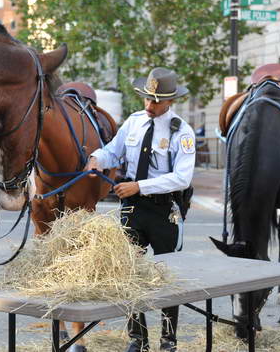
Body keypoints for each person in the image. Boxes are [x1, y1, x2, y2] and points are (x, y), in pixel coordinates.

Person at [85, 67, 196, 352]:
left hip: (163, 211)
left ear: (170, 101)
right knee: (128, 273)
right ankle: (138, 338)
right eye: (147, 99)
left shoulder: (181, 132)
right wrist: (97, 159)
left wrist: (140, 186)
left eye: (156, 101)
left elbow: (182, 178)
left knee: (168, 277)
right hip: (132, 208)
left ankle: (168, 340)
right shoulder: (134, 123)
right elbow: (113, 150)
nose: (150, 105)